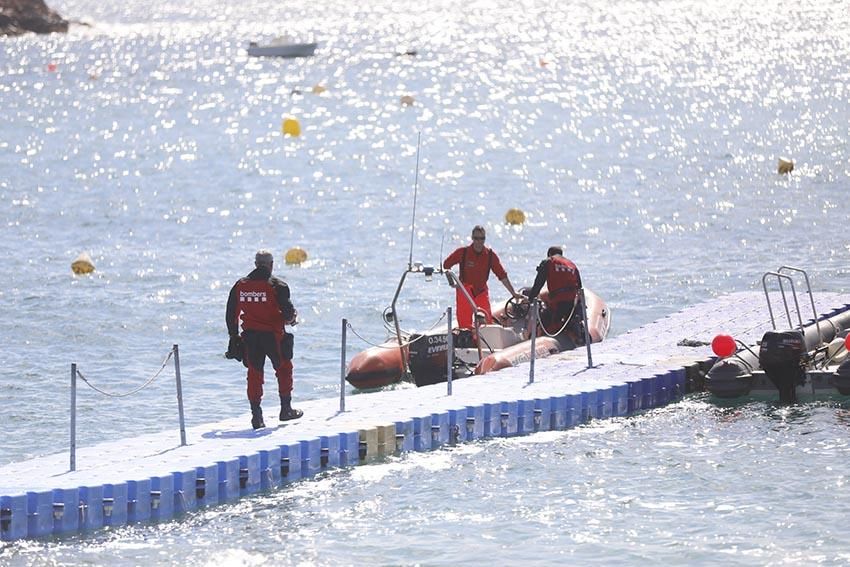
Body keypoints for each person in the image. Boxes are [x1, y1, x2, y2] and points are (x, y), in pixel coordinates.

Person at [226, 249, 302, 429]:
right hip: (273, 336)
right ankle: (285, 410)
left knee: (254, 373)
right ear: (271, 265)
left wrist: (233, 336)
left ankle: (257, 417)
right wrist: (292, 319)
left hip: (250, 336)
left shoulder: (240, 285)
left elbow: (231, 314)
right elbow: (288, 313)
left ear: (255, 264)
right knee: (283, 369)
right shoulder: (278, 286)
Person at [443, 225, 521, 328]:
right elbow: (446, 265)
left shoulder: (490, 255)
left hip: (481, 291)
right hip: (465, 291)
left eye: (482, 238)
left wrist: (513, 292)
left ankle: (484, 341)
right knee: (464, 325)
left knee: (486, 323)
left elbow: (502, 275)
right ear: (472, 238)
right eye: (476, 238)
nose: (479, 242)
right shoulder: (463, 252)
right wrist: (453, 282)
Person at [526, 246, 583, 338]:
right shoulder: (572, 265)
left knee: (546, 319)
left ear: (549, 254)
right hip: (572, 302)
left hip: (558, 301)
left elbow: (538, 283)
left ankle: (543, 336)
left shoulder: (548, 262)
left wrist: (531, 299)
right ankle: (576, 332)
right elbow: (580, 287)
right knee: (570, 317)